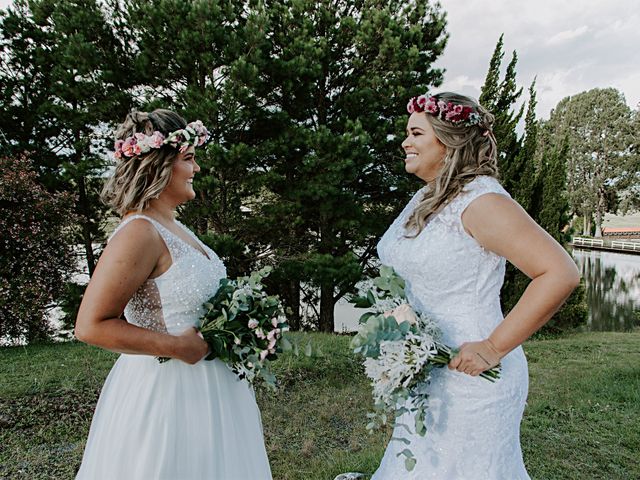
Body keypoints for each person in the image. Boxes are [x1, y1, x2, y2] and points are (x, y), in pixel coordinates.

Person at [371, 92, 580, 479]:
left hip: (472, 377)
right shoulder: (427, 196)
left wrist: (492, 347)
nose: (405, 142)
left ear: (448, 141)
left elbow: (559, 272)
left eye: (416, 133)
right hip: (427, 369)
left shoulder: (482, 202)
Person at [74, 109, 272, 479]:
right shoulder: (139, 232)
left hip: (214, 389)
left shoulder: (177, 228)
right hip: (168, 393)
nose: (196, 169)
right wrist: (177, 347)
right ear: (159, 165)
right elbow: (90, 325)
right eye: (189, 159)